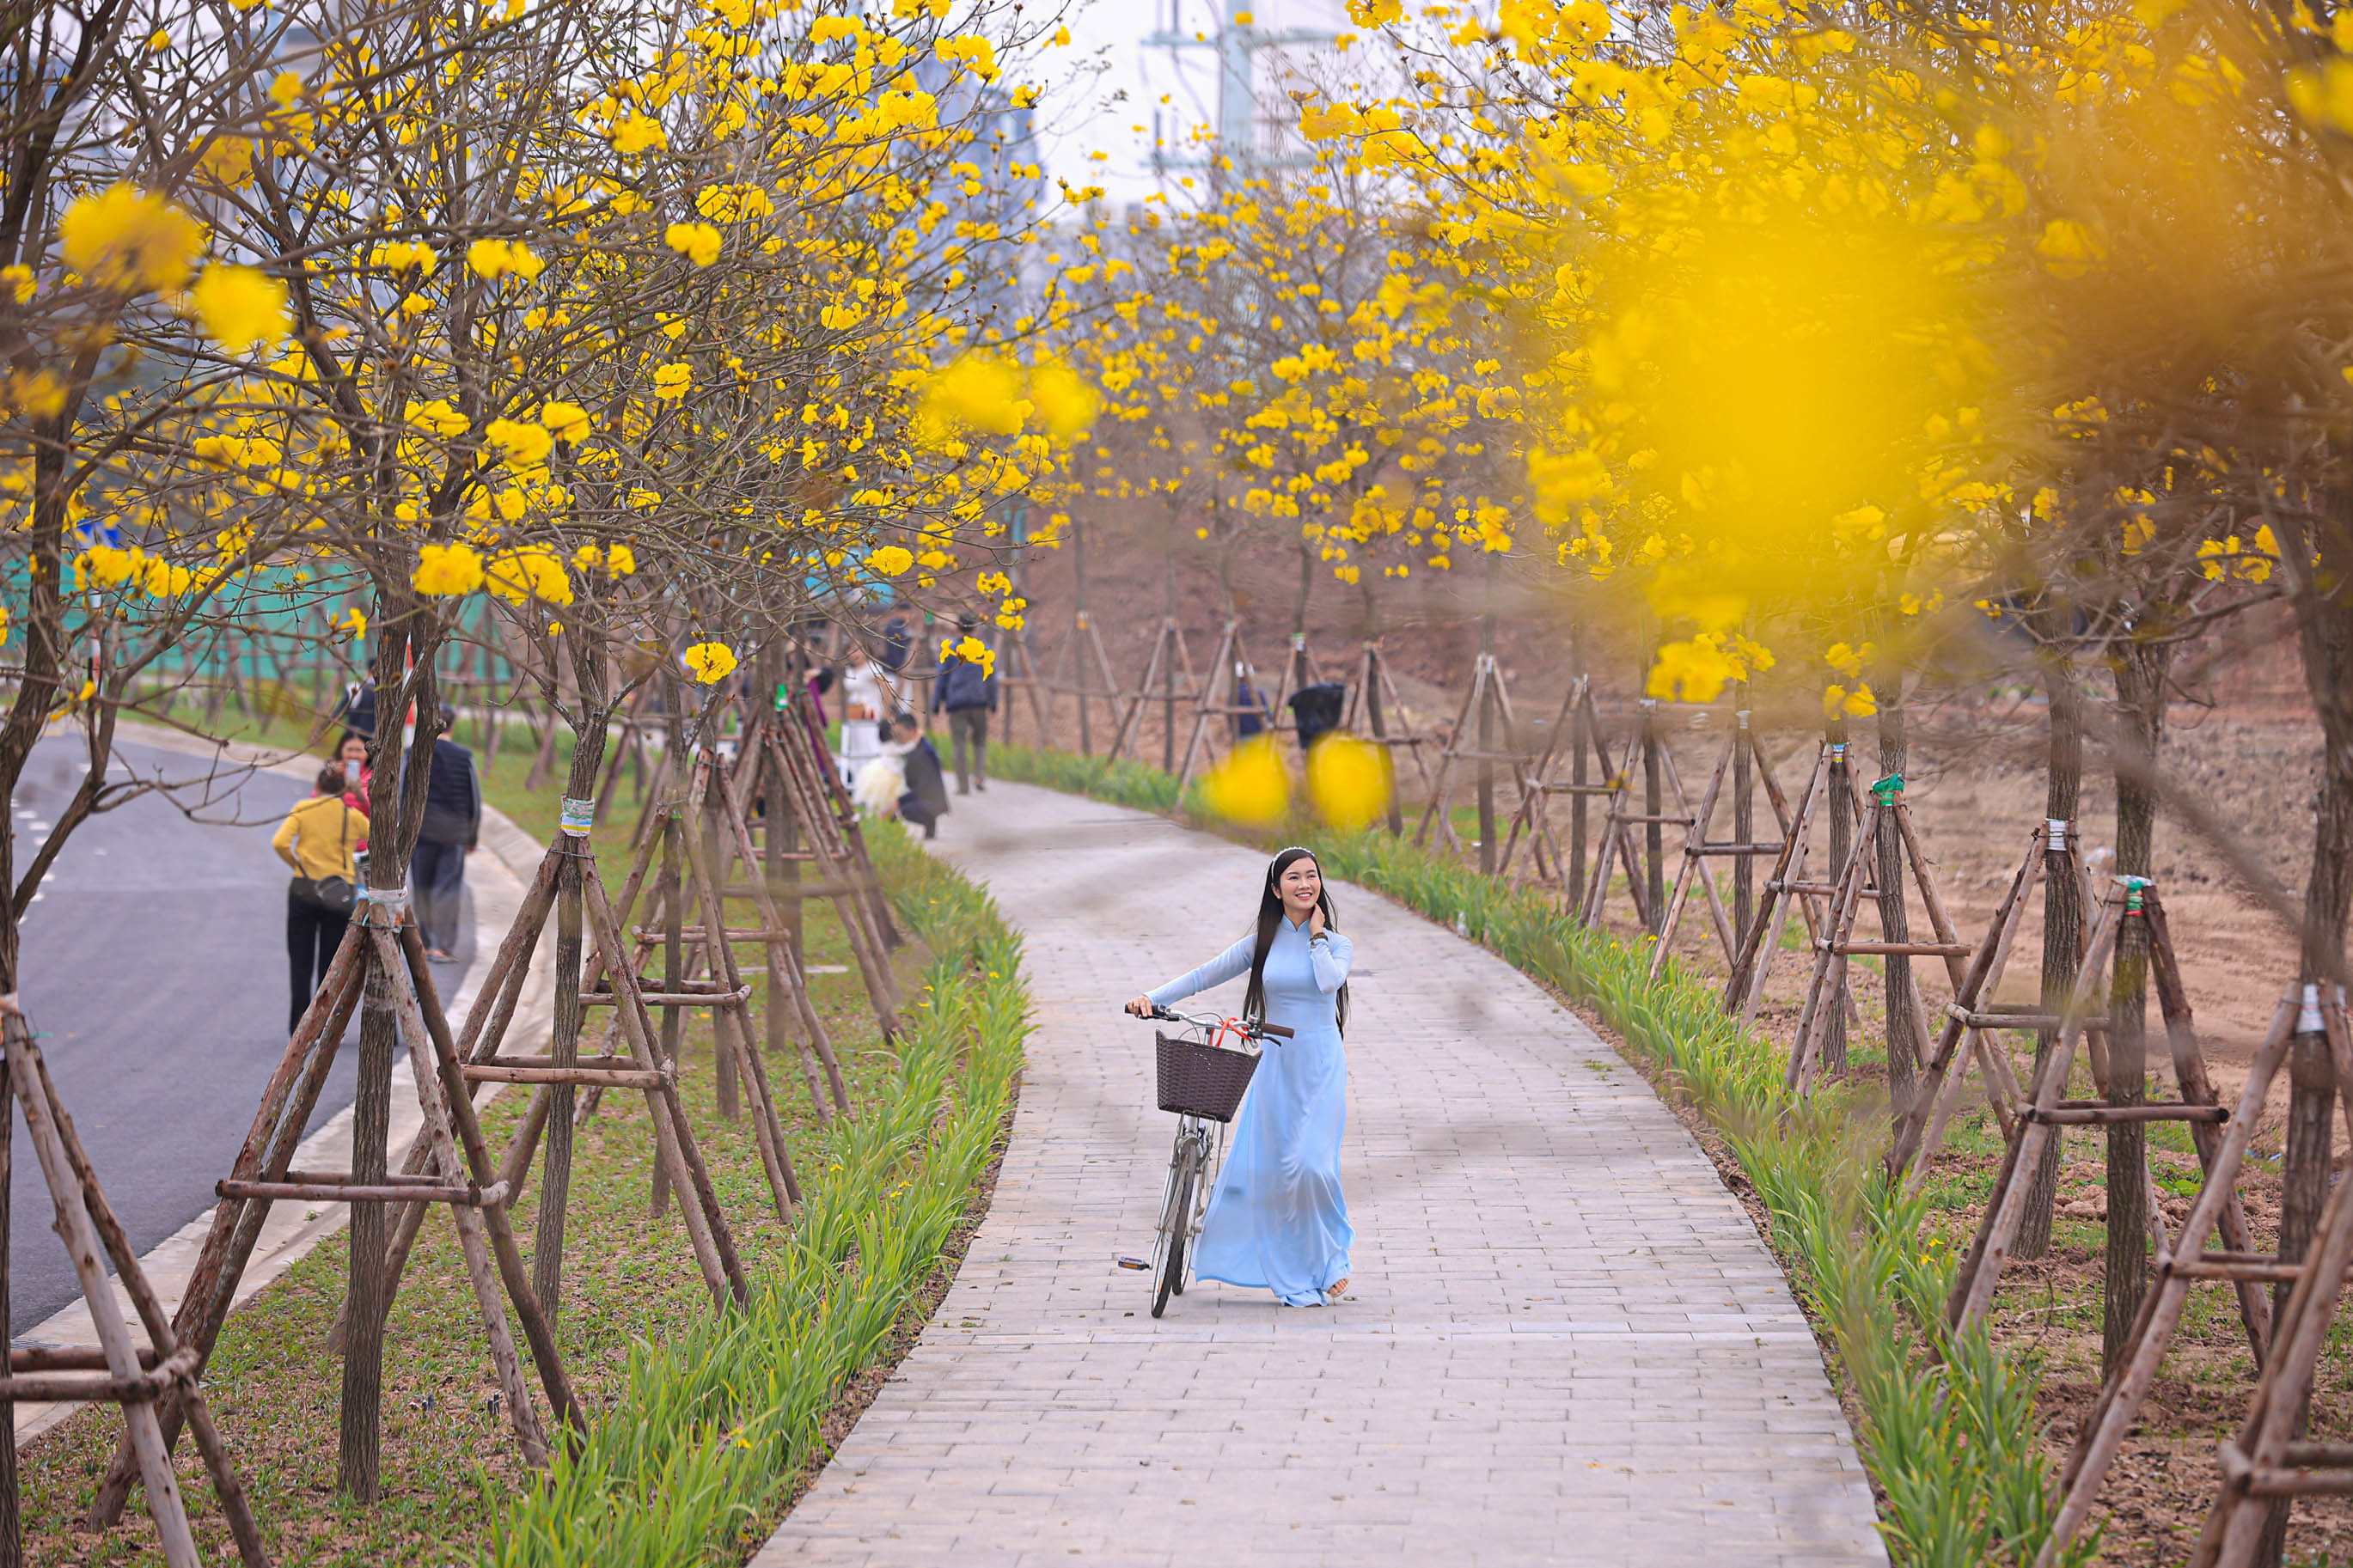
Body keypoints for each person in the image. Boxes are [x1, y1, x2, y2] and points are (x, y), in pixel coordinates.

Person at [1125, 847, 1355, 1307]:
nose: (1305, 884)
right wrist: (1149, 996)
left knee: (1313, 1166)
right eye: (1294, 877)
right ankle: (1298, 1267)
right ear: (1276, 889)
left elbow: (1329, 982)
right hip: (1275, 1063)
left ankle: (1333, 1258)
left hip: (1321, 1063)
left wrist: (1316, 938)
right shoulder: (1261, 943)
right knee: (1278, 1171)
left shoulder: (1336, 944)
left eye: (1312, 877)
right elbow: (1203, 975)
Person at [274, 764, 368, 1033]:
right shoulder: (350, 816)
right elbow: (375, 834)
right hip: (338, 893)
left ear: (317, 786)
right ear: (343, 789)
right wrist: (360, 798)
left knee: (300, 962)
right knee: (329, 964)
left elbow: (280, 842)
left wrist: (297, 865)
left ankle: (298, 1028)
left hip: (304, 887)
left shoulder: (304, 808)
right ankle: (320, 1027)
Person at [407, 704, 480, 962]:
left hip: (421, 832)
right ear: (454, 725)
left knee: (424, 887)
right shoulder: (464, 756)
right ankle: (444, 945)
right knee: (447, 888)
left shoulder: (414, 753)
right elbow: (474, 797)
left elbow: (404, 793)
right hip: (453, 835)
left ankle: (425, 944)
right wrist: (471, 836)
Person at [932, 614, 996, 794]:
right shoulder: (984, 648)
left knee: (959, 744)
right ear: (975, 629)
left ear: (957, 629)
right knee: (980, 741)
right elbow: (992, 678)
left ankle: (962, 786)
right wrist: (993, 704)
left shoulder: (952, 649)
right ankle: (979, 777)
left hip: (957, 703)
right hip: (979, 702)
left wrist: (936, 705)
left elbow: (941, 679)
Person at [891, 711, 950, 839]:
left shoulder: (923, 753)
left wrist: (899, 802)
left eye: (899, 734)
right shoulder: (914, 748)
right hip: (924, 795)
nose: (897, 738)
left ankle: (929, 821)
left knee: (904, 810)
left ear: (912, 731)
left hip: (931, 799)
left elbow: (923, 788)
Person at [336, 731, 373, 850]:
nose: (353, 755)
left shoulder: (373, 777)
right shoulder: (333, 774)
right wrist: (332, 779)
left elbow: (374, 808)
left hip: (362, 846)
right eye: (349, 749)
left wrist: (358, 791)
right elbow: (317, 800)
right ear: (341, 750)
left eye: (358, 750)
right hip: (333, 841)